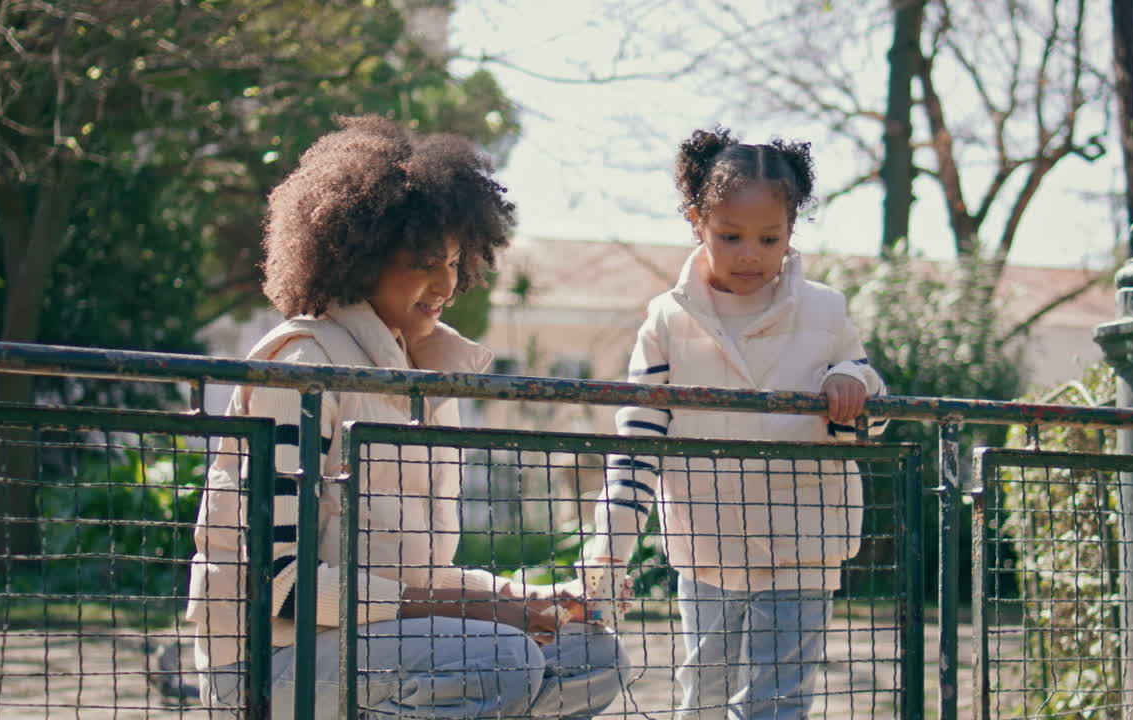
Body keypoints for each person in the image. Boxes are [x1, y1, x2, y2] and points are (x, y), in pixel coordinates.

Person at [187, 115, 625, 719]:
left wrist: (527, 596)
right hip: (267, 663)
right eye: (423, 261)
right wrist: (485, 613)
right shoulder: (300, 368)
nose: (446, 282)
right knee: (502, 659)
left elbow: (415, 578)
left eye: (453, 261)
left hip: (378, 645)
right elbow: (281, 586)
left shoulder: (423, 378)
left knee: (592, 656)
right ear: (357, 255)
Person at [577, 127, 887, 720]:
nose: (751, 253)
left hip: (806, 542)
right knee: (705, 691)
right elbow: (639, 436)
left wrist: (852, 383)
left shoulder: (825, 309)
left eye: (770, 237)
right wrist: (609, 550)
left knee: (779, 699)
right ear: (697, 221)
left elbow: (870, 409)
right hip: (706, 545)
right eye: (731, 235)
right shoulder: (667, 319)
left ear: (791, 231)